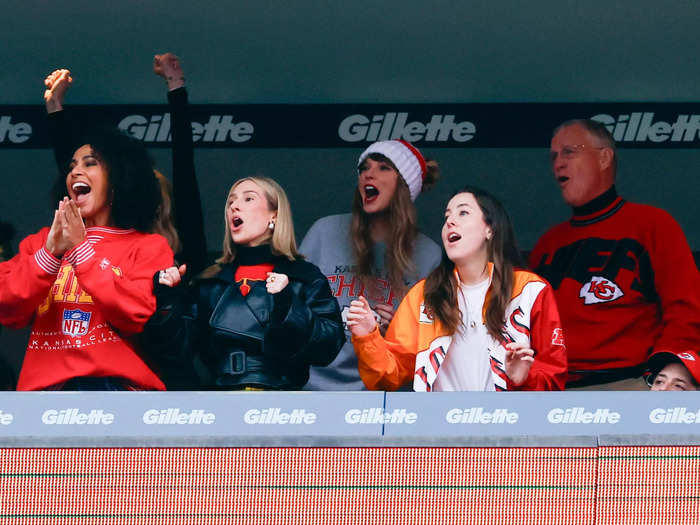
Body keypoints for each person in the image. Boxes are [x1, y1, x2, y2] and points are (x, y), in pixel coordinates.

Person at [530, 119, 700, 390]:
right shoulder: (547, 244)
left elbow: (686, 309)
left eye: (569, 152)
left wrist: (671, 370)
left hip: (627, 384)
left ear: (604, 157)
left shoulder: (652, 225)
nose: (558, 163)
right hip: (553, 388)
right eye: (553, 156)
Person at [0, 129, 173, 390]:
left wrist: (81, 250)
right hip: (47, 396)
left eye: (90, 163)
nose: (76, 172)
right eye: (72, 166)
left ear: (119, 177)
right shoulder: (43, 242)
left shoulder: (147, 246)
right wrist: (48, 256)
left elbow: (134, 315)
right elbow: (8, 308)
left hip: (118, 392)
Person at [348, 186, 567, 391]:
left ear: (490, 229)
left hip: (508, 426)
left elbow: (554, 375)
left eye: (463, 213)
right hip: (439, 428)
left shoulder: (530, 290)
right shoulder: (424, 295)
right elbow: (389, 375)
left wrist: (524, 377)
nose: (451, 221)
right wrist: (367, 336)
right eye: (447, 217)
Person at [150, 176, 345, 390]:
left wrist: (287, 304)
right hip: (220, 406)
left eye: (248, 199)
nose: (235, 206)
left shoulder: (303, 277)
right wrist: (168, 299)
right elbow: (175, 353)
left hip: (284, 408)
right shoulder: (209, 282)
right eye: (231, 201)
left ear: (274, 215)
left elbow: (328, 347)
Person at [43, 55, 208, 276]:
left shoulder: (184, 247)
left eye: (150, 190)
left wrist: (176, 85)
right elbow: (74, 173)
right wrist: (54, 107)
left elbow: (184, 166)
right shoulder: (108, 243)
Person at [301, 140, 442, 390]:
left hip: (379, 397)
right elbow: (290, 313)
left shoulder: (429, 254)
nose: (369, 173)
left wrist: (396, 330)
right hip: (311, 388)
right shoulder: (324, 231)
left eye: (383, 168)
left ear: (404, 185)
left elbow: (427, 350)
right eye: (364, 168)